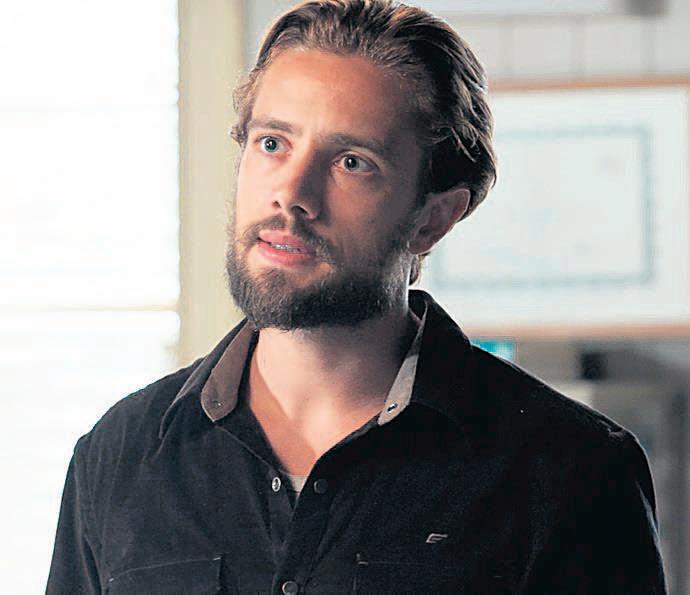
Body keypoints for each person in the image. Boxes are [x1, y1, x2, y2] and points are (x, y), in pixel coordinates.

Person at [47, 1, 667, 593]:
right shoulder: (118, 455)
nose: (292, 194)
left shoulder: (573, 471)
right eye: (272, 143)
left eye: (351, 162)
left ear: (433, 219)